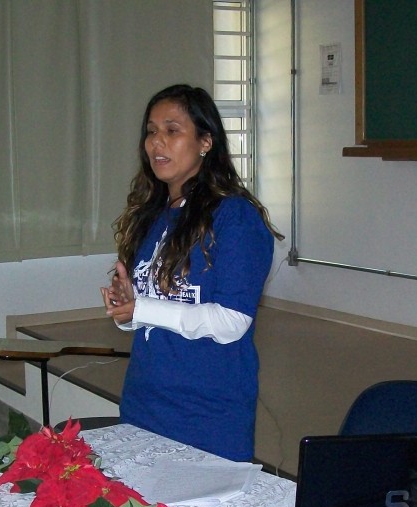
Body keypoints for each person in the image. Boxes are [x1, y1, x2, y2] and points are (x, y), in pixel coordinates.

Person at [101, 84, 282, 462]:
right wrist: (126, 309)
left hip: (207, 412)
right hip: (145, 401)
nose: (156, 143)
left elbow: (231, 321)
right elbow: (151, 314)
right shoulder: (153, 214)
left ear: (205, 141)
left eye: (172, 130)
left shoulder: (236, 218)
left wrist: (142, 309)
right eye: (151, 132)